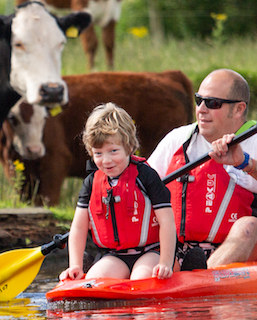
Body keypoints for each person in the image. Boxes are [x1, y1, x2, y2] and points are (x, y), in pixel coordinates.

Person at [147, 68, 257, 269]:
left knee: (249, 226)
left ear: (238, 109)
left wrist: (245, 162)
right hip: (182, 252)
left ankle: (205, 279)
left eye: (212, 103)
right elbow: (142, 184)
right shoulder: (179, 138)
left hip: (249, 250)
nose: (201, 109)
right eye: (198, 100)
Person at [59, 103, 176, 282]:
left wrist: (165, 262)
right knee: (95, 282)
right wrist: (75, 265)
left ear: (129, 147)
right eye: (98, 153)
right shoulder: (91, 183)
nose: (106, 160)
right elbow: (79, 227)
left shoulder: (146, 176)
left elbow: (167, 221)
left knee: (141, 279)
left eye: (113, 151)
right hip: (115, 255)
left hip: (151, 251)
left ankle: (181, 261)